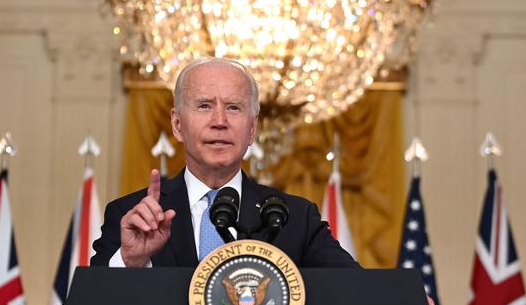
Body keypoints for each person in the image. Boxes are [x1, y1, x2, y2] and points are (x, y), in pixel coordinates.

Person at [90, 57, 359, 269]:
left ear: (252, 128)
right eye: (204, 106)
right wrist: (128, 262)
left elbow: (361, 297)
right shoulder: (131, 218)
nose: (220, 121)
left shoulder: (295, 219)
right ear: (177, 124)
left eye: (233, 107)